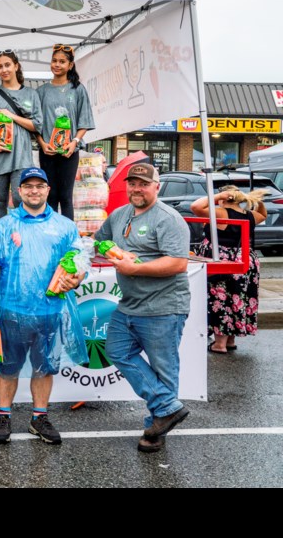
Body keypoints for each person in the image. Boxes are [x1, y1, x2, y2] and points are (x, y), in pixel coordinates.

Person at [0, 168, 83, 445]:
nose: (34, 191)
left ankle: (39, 417)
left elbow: (79, 261)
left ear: (48, 190)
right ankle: (4, 415)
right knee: (7, 368)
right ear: (19, 191)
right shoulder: (4, 225)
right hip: (12, 310)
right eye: (28, 186)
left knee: (44, 368)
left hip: (50, 310)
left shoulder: (64, 226)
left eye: (39, 186)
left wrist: (77, 277)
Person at [96, 163, 191, 453]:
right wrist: (110, 250)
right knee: (116, 350)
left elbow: (177, 263)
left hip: (164, 307)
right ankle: (167, 407)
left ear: (156, 186)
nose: (137, 189)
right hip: (129, 305)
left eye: (143, 184)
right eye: (132, 183)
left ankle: (155, 432)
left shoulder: (168, 219)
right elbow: (100, 240)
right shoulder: (119, 214)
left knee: (164, 370)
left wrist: (135, 268)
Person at [190, 185, 266, 353]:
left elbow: (195, 207)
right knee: (238, 298)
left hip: (222, 259)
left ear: (224, 198)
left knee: (220, 299)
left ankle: (219, 344)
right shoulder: (250, 215)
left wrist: (217, 197)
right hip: (245, 259)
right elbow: (263, 214)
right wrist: (256, 201)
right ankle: (230, 340)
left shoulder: (220, 213)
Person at [0, 50, 42, 223]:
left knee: (21, 198)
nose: (4, 69)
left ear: (16, 66)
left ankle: (23, 232)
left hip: (21, 156)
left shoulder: (31, 94)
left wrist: (12, 116)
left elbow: (37, 125)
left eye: (7, 65)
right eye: (0, 66)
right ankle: (1, 236)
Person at [36, 44, 95, 219]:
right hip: (47, 151)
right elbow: (35, 123)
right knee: (50, 195)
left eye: (62, 61)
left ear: (70, 65)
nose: (57, 65)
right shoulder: (41, 91)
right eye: (54, 61)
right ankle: (50, 234)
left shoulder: (78, 90)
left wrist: (74, 142)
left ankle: (68, 237)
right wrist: (42, 143)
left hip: (70, 151)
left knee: (66, 197)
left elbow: (84, 121)